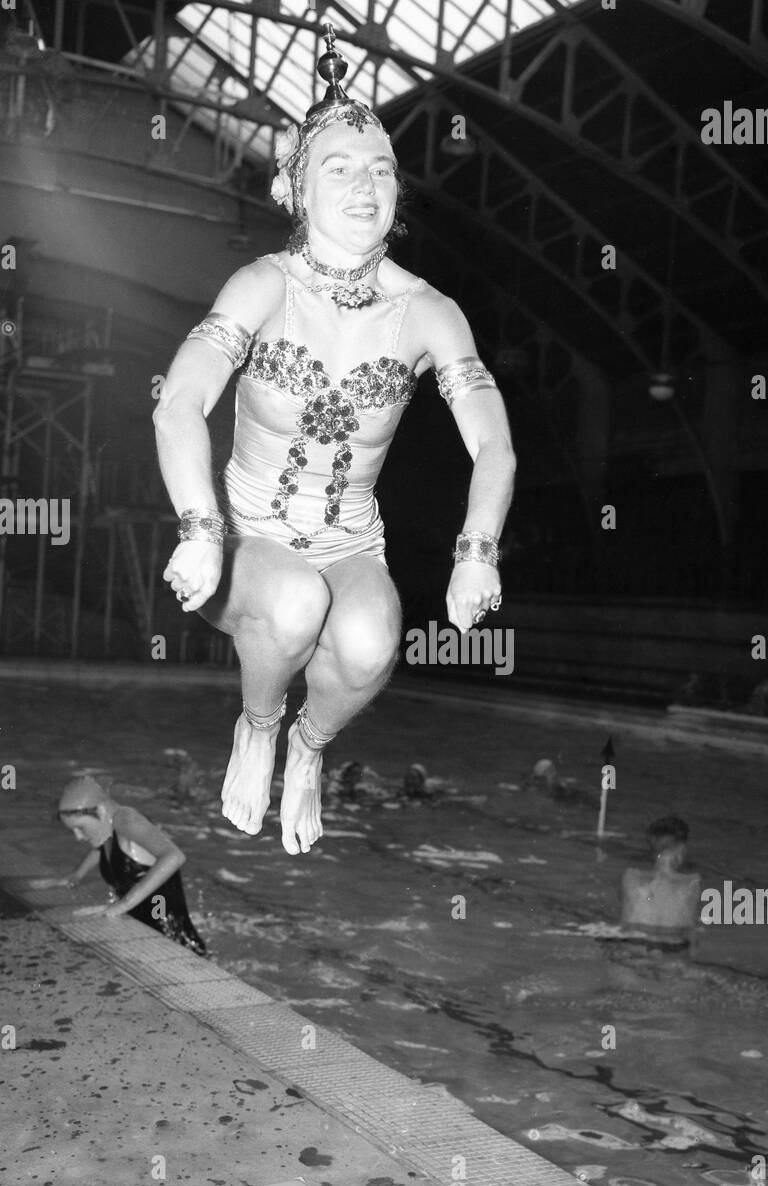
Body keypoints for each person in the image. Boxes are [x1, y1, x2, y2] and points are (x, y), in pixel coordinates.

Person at [153, 23, 515, 855]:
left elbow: (492, 446)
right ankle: (257, 725)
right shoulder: (261, 288)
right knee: (291, 602)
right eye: (340, 168)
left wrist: (477, 550)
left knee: (371, 640)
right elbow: (178, 405)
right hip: (245, 540)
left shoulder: (428, 313)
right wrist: (201, 531)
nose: (365, 185)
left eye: (381, 170)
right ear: (295, 189)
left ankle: (309, 750)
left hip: (351, 541)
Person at [41, 775, 207, 956]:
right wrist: (75, 876)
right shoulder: (108, 830)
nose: (78, 837)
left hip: (177, 945)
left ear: (101, 811)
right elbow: (102, 849)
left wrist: (122, 905)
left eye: (81, 828)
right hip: (148, 936)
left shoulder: (127, 820)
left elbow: (174, 856)